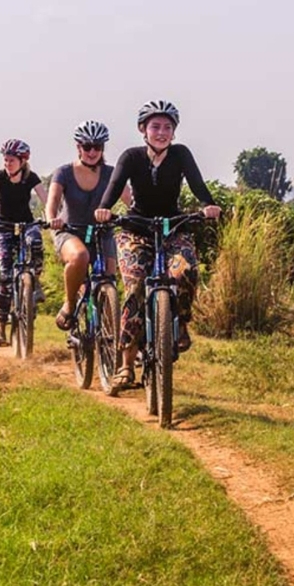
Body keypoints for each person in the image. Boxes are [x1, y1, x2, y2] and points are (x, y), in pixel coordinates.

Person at [94, 100, 221, 387]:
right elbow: (114, 188)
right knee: (136, 286)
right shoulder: (131, 157)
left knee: (186, 270)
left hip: (173, 228)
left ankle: (181, 324)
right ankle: (126, 363)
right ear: (143, 130)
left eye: (167, 127)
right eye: (155, 127)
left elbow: (198, 184)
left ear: (174, 132)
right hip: (136, 230)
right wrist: (103, 209)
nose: (161, 132)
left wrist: (209, 205)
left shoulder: (181, 154)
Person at [44, 120, 131, 331]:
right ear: (78, 147)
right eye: (87, 146)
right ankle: (70, 304)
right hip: (70, 232)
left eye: (97, 147)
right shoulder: (63, 172)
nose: (92, 152)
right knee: (80, 257)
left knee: (109, 280)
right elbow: (52, 202)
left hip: (103, 233)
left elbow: (131, 200)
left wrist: (136, 217)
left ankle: (110, 339)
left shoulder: (112, 173)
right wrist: (52, 218)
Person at [0, 138, 50, 347]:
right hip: (4, 226)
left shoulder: (31, 177)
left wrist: (51, 215)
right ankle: (0, 327)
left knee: (36, 242)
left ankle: (34, 282)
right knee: (6, 277)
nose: (7, 163)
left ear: (22, 161)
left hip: (27, 223)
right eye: (5, 159)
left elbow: (47, 199)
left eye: (11, 160)